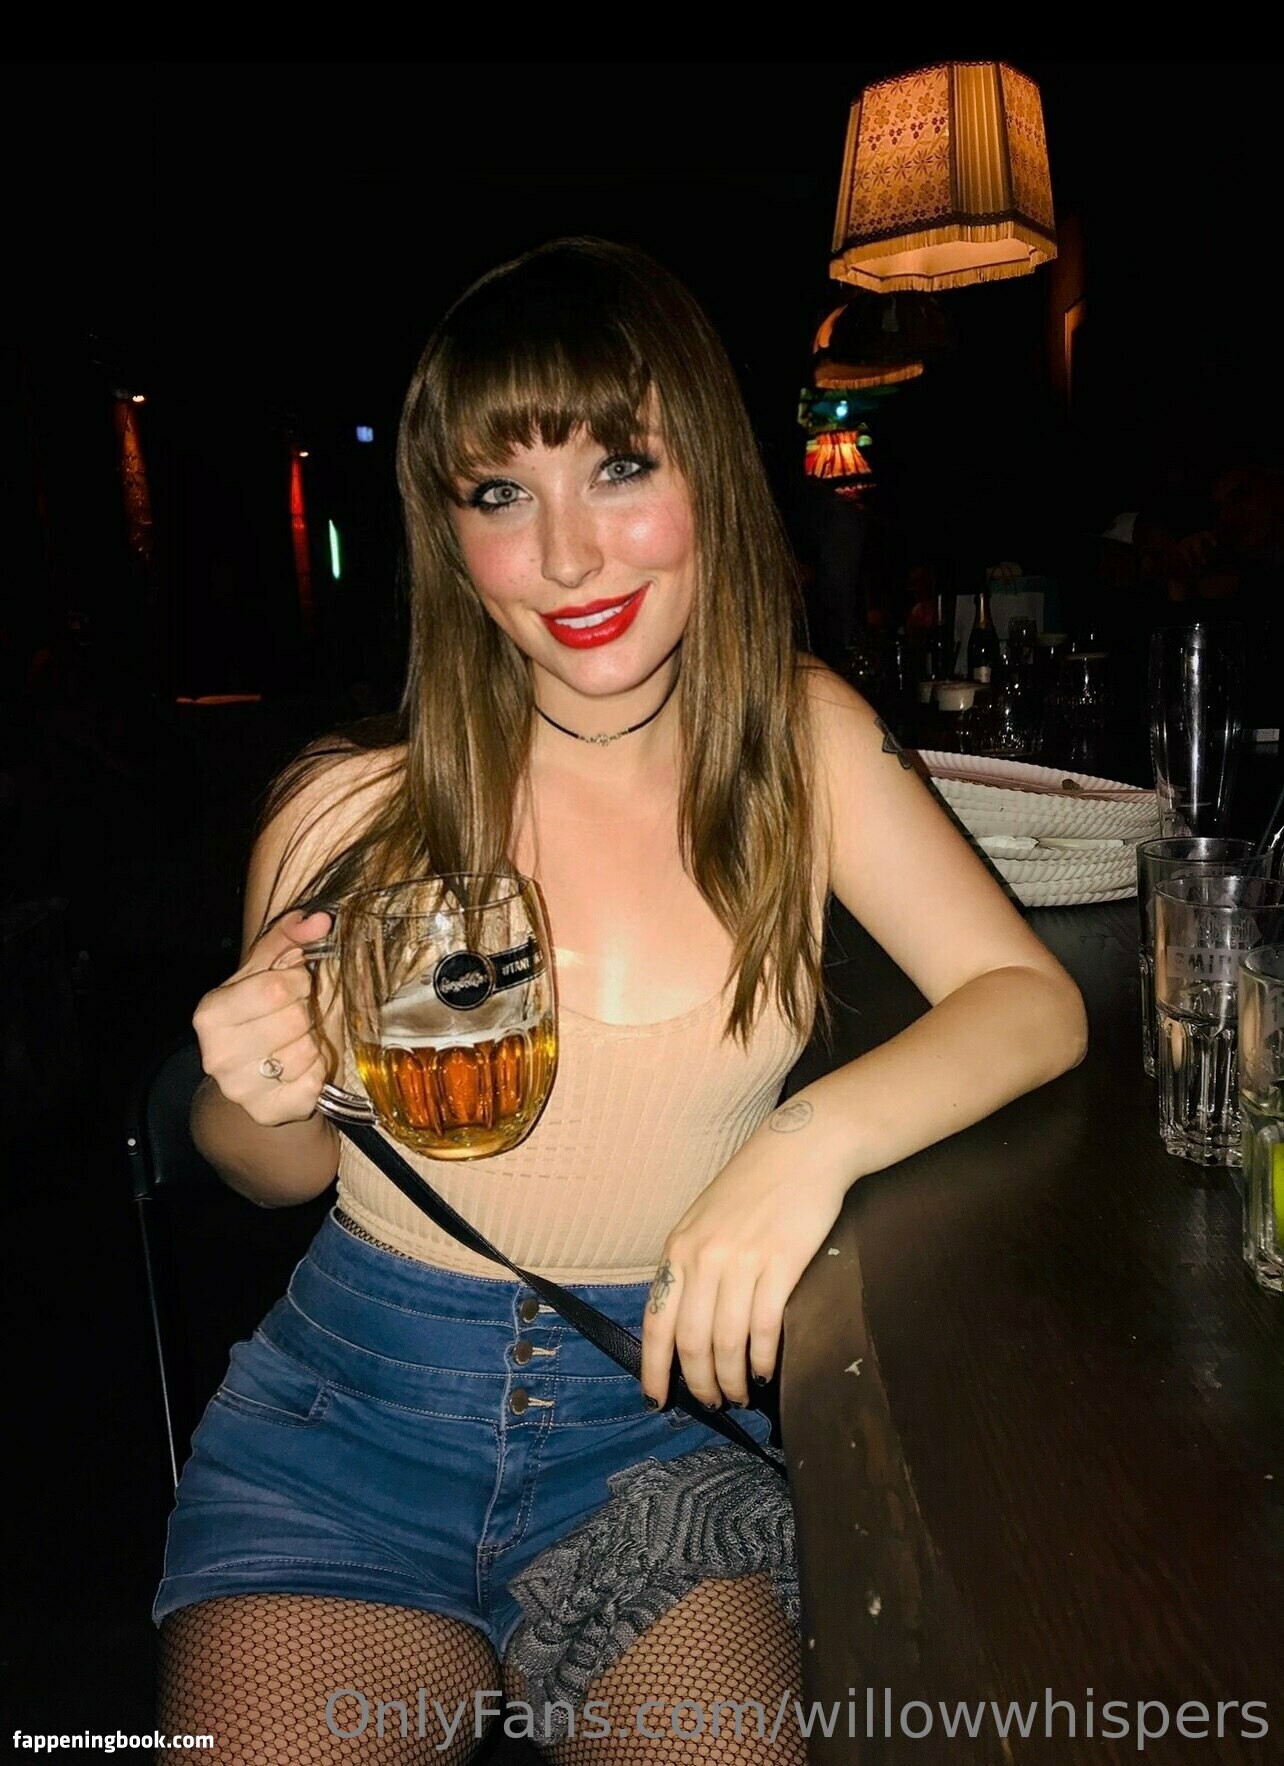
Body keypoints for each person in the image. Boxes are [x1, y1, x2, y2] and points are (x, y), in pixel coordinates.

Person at [155, 237, 1088, 1761]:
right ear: (451, 534)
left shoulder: (800, 743)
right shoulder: (348, 807)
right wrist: (242, 1089)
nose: (571, 556)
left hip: (652, 1432)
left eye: (621, 466)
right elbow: (276, 1170)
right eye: (501, 493)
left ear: (711, 467)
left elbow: (1029, 999)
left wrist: (801, 1144)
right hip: (348, 1426)